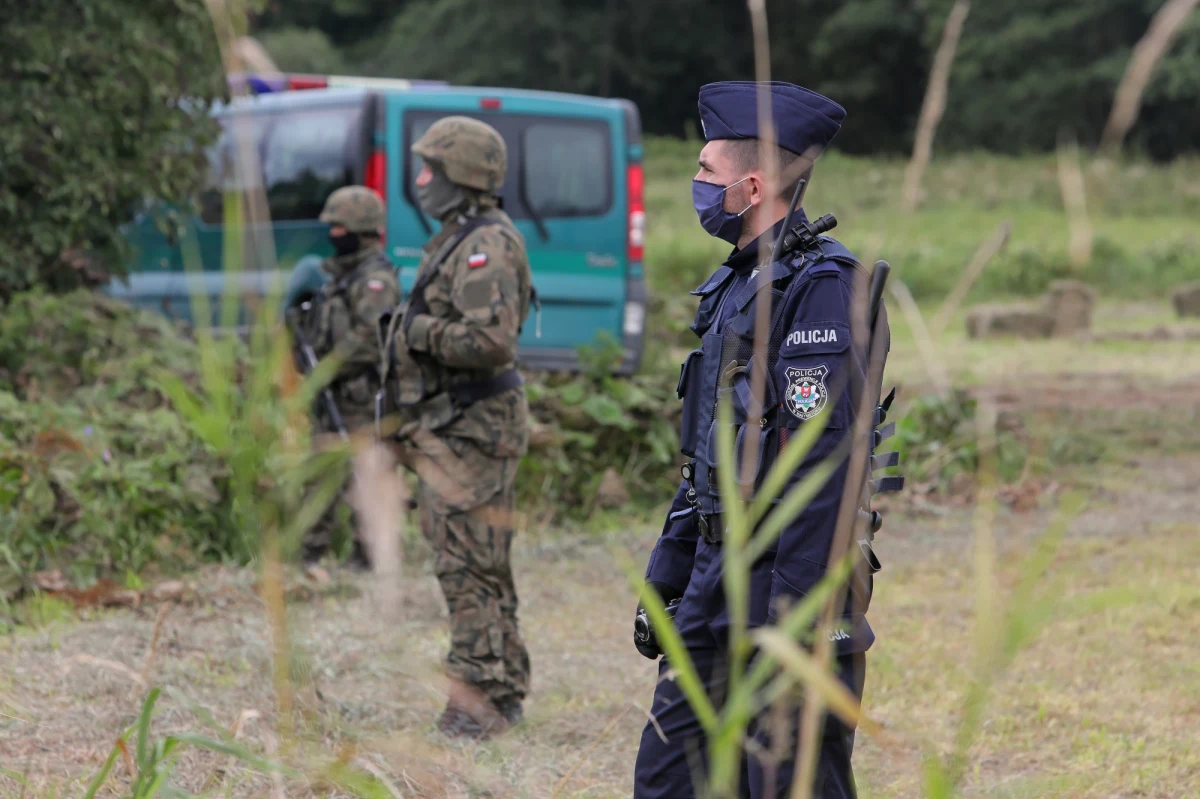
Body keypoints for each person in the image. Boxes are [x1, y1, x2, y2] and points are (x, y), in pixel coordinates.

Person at [631, 82, 900, 798]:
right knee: (667, 778)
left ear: (752, 185)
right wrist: (666, 576)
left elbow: (826, 471)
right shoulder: (733, 286)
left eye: (706, 172)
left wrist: (792, 618)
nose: (696, 185)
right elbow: (705, 459)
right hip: (713, 580)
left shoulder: (822, 287)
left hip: (787, 579)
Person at [380, 115, 534, 740]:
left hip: (473, 428)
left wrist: (413, 332)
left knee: (466, 566)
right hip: (454, 425)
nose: (420, 181)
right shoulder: (459, 235)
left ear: (463, 176)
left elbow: (492, 341)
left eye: (431, 169)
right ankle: (502, 688)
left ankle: (476, 701)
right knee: (479, 562)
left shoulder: (486, 244)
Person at [295, 185, 400, 567]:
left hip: (361, 394)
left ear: (361, 228)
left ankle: (369, 553)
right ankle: (309, 553)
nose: (333, 235)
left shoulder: (374, 281)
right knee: (321, 473)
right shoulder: (337, 277)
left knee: (364, 475)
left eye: (340, 228)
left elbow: (372, 337)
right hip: (333, 392)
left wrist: (331, 364)